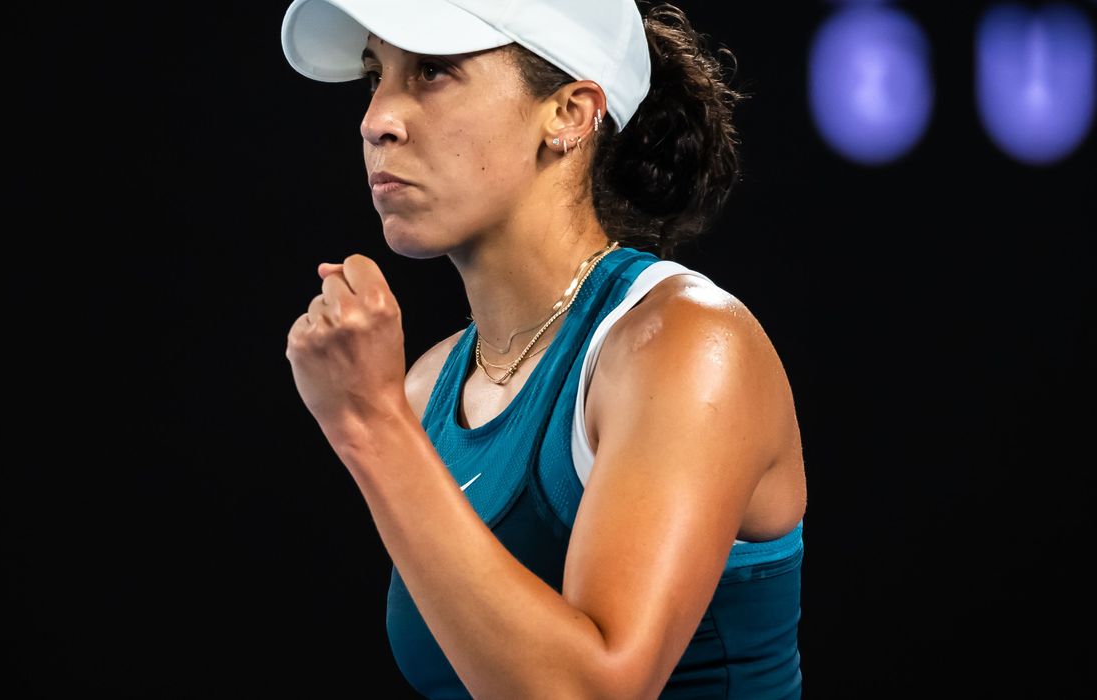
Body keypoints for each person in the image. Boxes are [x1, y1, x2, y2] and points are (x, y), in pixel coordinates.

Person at [280, 1, 807, 698]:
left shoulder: (690, 348)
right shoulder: (425, 386)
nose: (377, 118)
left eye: (433, 71)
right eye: (376, 75)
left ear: (568, 113)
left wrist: (370, 425)